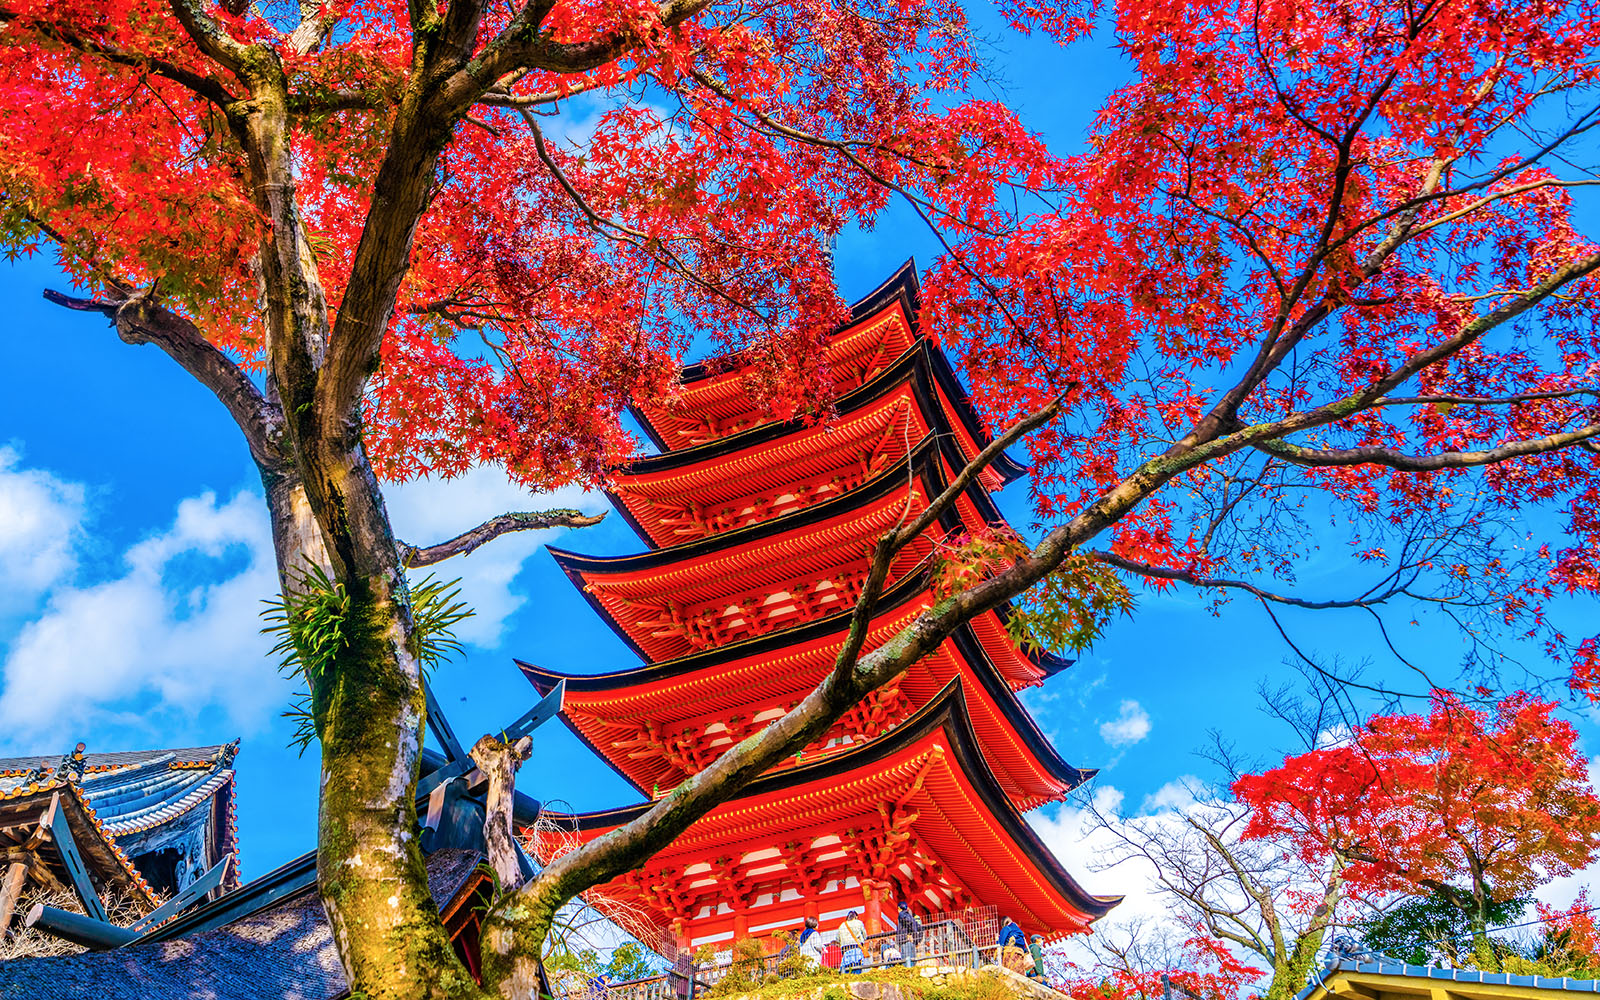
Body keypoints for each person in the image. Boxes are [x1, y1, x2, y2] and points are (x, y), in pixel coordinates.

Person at [895, 901, 923, 967]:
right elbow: (920, 928)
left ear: (899, 908)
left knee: (906, 960)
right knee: (912, 960)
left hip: (904, 940)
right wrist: (917, 940)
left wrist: (909, 935)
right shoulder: (911, 917)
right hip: (911, 941)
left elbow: (908, 923)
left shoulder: (902, 914)